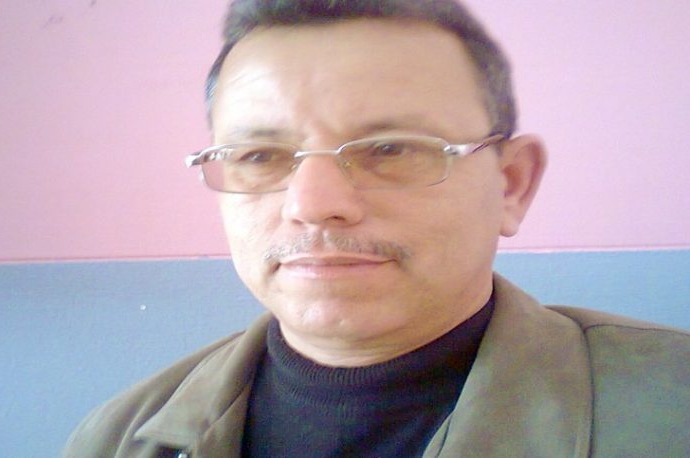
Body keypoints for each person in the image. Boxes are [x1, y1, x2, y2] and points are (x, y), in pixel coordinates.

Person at [64, 1, 690, 456]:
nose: (313, 205)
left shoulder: (671, 407)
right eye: (258, 156)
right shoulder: (119, 438)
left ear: (511, 184)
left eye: (390, 149)